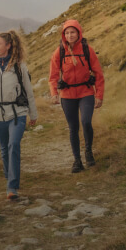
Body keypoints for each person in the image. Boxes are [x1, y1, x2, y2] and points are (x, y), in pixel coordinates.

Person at [0, 30, 37, 199]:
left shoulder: (19, 66)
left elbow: (28, 91)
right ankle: (9, 173)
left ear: (8, 46)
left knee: (13, 145)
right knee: (4, 149)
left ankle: (12, 186)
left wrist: (33, 114)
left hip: (17, 113)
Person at [48, 19, 105, 173]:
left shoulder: (87, 50)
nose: (70, 35)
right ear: (63, 35)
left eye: (73, 32)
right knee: (73, 127)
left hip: (86, 92)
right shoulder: (59, 52)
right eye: (67, 33)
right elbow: (53, 76)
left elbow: (98, 74)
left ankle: (88, 152)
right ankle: (77, 161)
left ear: (79, 33)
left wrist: (99, 95)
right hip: (67, 95)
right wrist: (54, 93)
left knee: (86, 122)